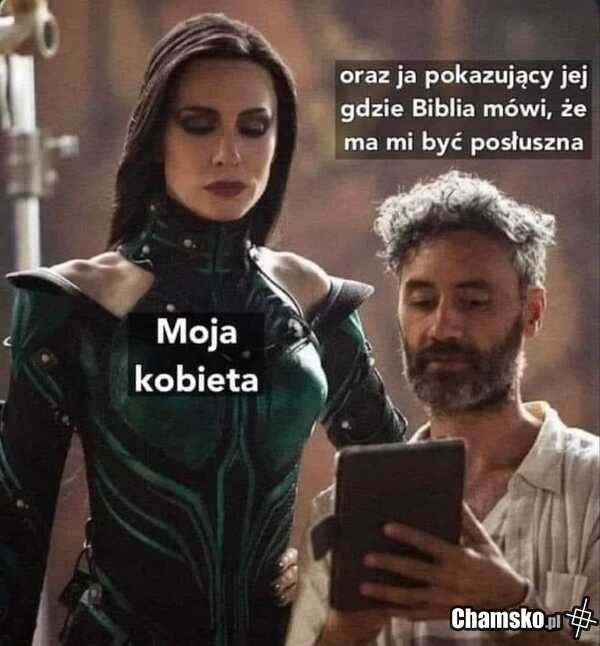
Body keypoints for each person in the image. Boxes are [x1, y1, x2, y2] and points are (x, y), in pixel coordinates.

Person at [0, 14, 406, 646]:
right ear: (156, 136)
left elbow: (398, 474)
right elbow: (16, 522)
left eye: (254, 127)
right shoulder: (81, 302)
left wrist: (327, 570)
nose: (229, 153)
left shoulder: (309, 295)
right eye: (199, 124)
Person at [286, 171, 599, 645]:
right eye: (422, 300)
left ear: (532, 312)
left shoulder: (591, 487)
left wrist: (511, 609)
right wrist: (348, 630)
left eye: (473, 302)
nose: (442, 326)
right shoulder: (343, 510)